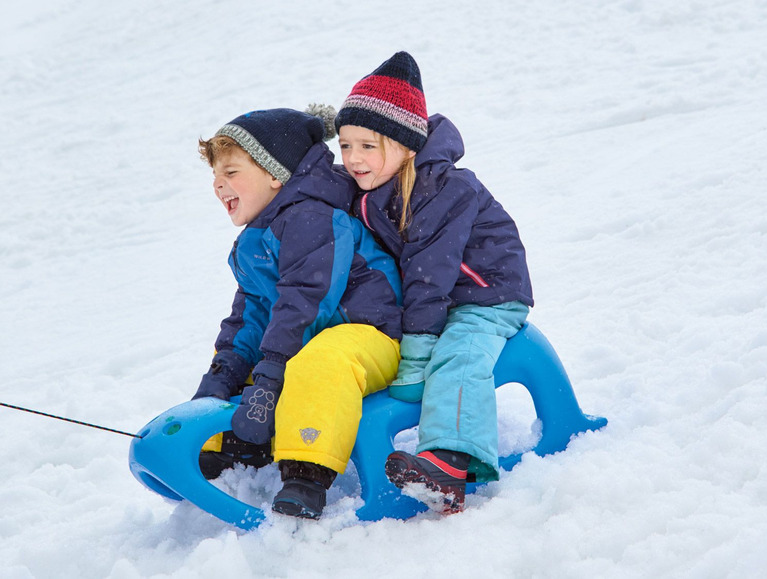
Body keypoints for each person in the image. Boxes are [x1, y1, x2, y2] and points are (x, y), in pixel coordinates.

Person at [335, 52, 534, 514]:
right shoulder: (369, 190)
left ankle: (450, 460)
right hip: (437, 297)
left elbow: (430, 271)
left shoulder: (445, 188)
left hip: (487, 293)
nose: (353, 159)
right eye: (345, 145)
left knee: (458, 356)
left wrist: (416, 356)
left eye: (367, 145)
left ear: (405, 145)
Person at [192, 105, 403, 520]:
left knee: (316, 362)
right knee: (257, 368)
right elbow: (250, 316)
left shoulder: (313, 218)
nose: (219, 185)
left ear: (275, 174)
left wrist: (272, 376)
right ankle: (225, 447)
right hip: (311, 340)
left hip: (373, 338)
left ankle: (306, 472)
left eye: (231, 173)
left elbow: (306, 302)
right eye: (215, 177)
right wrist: (223, 376)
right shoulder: (253, 242)